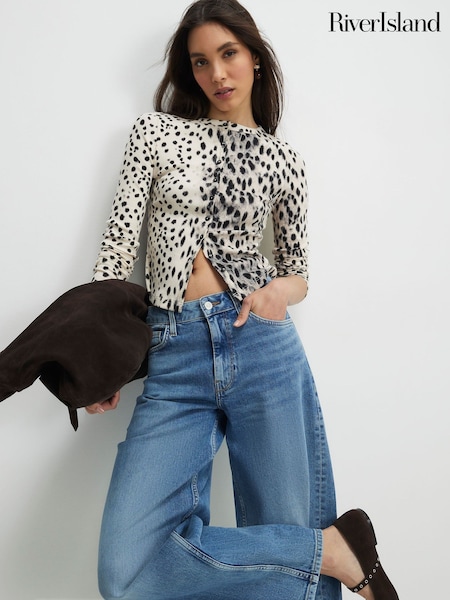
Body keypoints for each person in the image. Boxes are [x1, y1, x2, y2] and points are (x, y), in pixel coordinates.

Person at [87, 1, 399, 599]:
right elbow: (118, 246)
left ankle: (320, 552)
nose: (217, 74)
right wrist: (101, 359)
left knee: (288, 585)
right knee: (125, 571)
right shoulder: (156, 133)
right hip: (173, 352)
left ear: (255, 56)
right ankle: (330, 550)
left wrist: (280, 289)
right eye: (200, 61)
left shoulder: (284, 159)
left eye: (228, 54)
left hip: (261, 345)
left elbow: (298, 271)